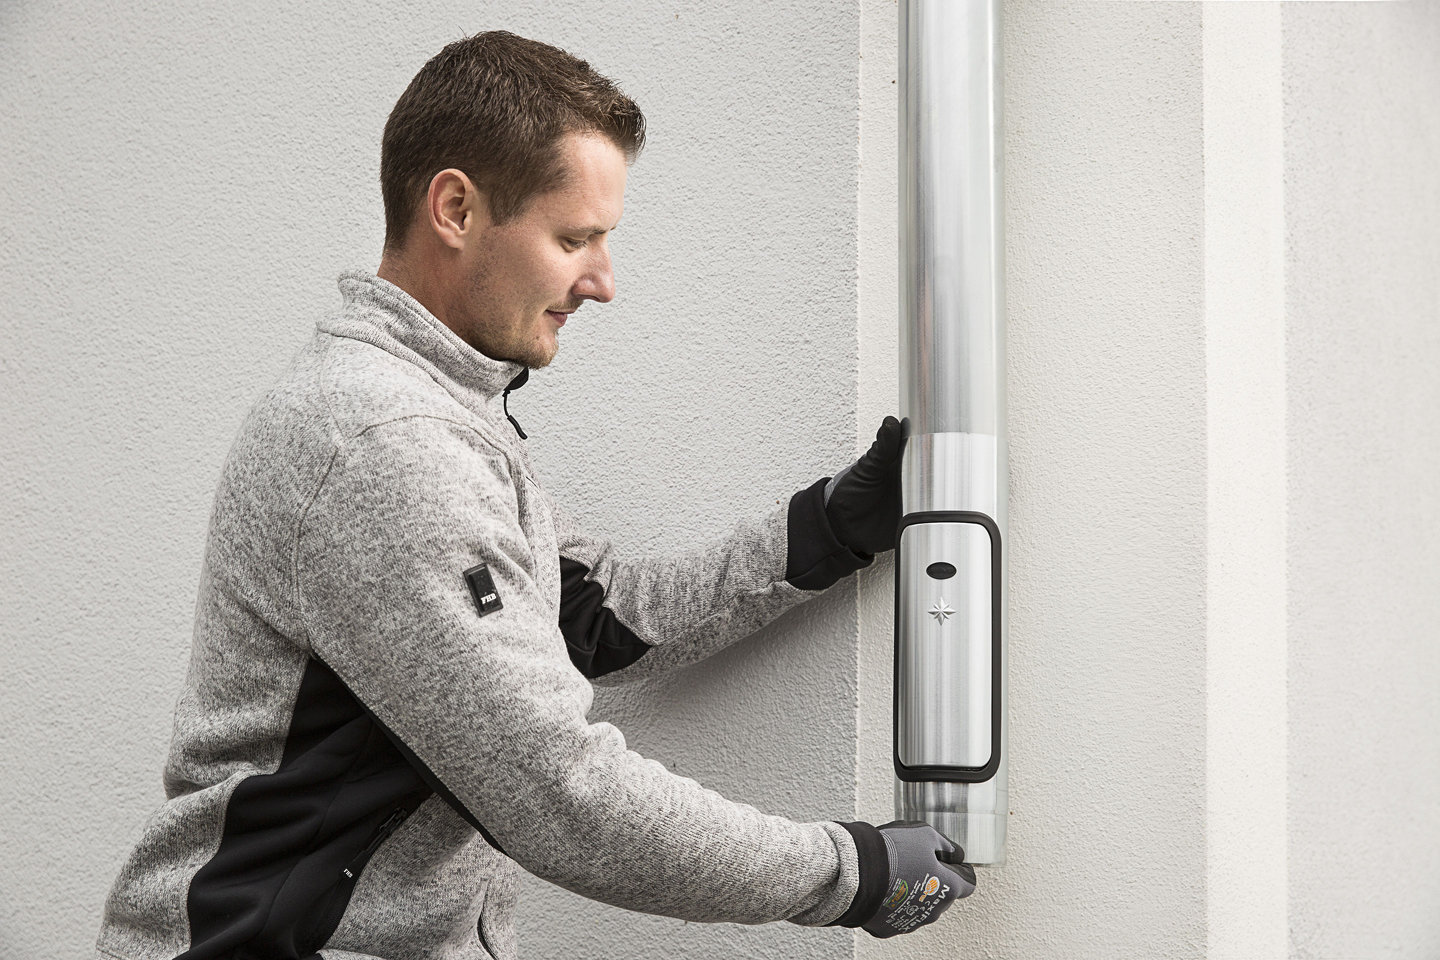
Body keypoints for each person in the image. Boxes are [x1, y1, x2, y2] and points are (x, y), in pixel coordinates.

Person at [95, 31, 975, 960]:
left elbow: (593, 616)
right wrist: (847, 871)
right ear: (456, 208)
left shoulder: (442, 414)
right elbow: (557, 792)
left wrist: (830, 527)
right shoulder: (385, 442)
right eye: (574, 238)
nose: (602, 281)